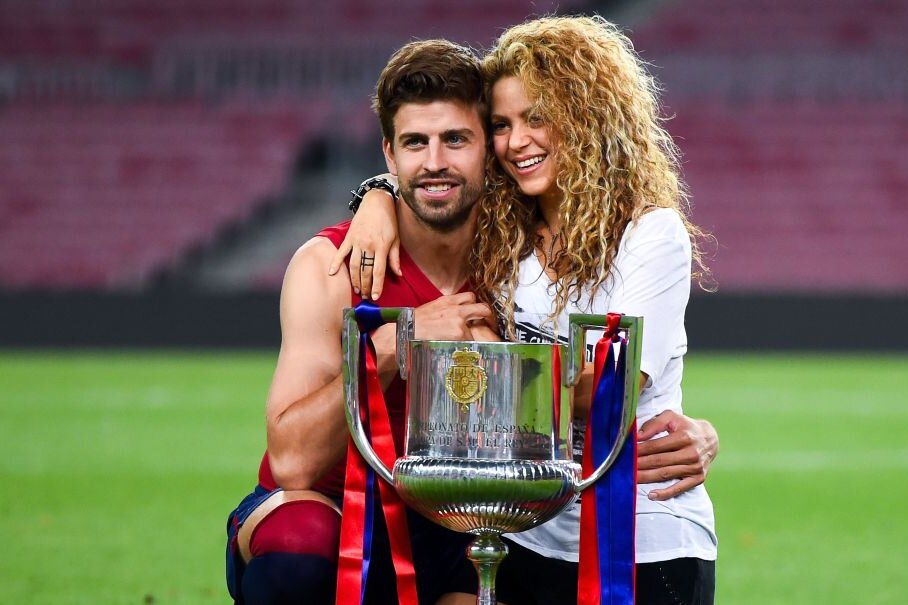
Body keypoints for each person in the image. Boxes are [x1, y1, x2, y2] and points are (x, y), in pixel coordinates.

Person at [332, 15, 718, 605]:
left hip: (645, 537)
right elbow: (431, 178)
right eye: (502, 125)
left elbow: (606, 389)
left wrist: (496, 359)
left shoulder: (650, 233)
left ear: (587, 116)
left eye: (537, 118)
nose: (516, 142)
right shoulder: (502, 231)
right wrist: (376, 197)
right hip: (526, 535)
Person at [224, 39, 502, 605]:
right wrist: (391, 349)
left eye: (456, 139)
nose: (434, 162)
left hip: (456, 526)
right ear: (389, 155)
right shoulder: (329, 265)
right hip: (332, 513)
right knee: (298, 546)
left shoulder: (520, 267)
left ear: (489, 150)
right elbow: (293, 462)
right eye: (415, 142)